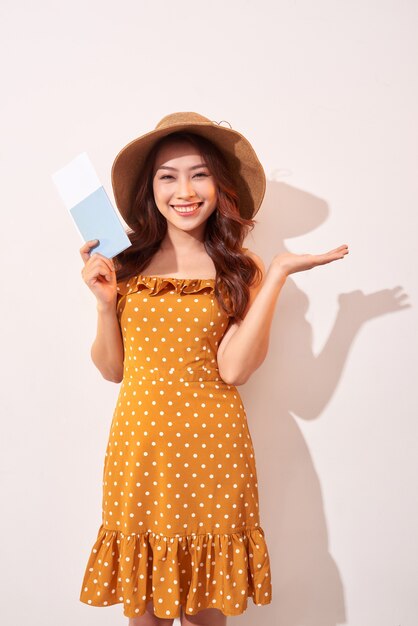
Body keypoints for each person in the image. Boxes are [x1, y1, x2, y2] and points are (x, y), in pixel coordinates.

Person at [78, 112, 349, 626]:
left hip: (215, 449)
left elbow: (235, 369)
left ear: (219, 185)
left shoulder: (238, 267)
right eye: (168, 175)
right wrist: (103, 303)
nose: (185, 190)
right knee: (148, 612)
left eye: (199, 173)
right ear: (150, 189)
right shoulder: (124, 263)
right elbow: (112, 370)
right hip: (142, 449)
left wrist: (276, 277)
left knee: (207, 612)